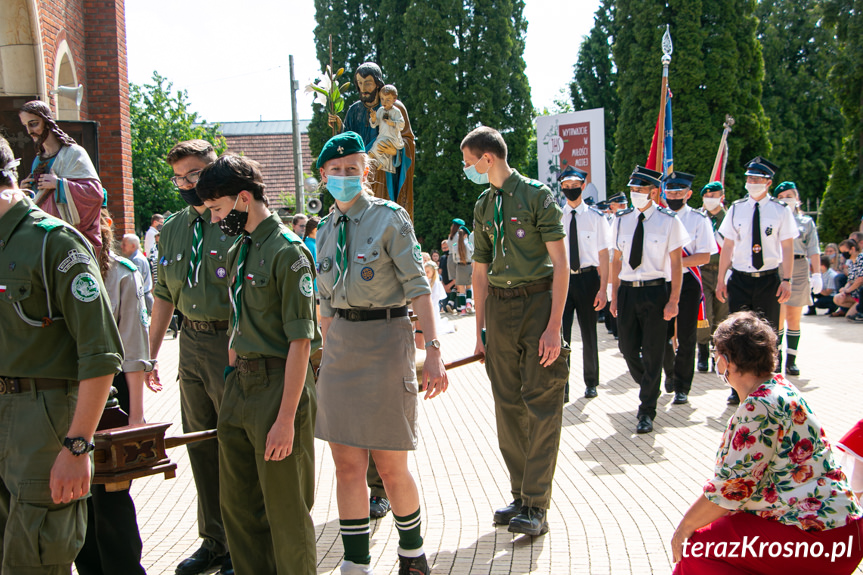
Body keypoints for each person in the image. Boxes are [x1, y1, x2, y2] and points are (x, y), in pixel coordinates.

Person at [313, 132, 447, 575]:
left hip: (388, 341)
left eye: (353, 169)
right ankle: (356, 563)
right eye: (337, 171)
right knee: (346, 466)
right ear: (323, 176)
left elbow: (419, 289)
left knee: (391, 466)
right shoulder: (326, 228)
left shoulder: (391, 219)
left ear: (366, 173)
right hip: (341, 352)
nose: (345, 176)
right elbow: (325, 302)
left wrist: (433, 351)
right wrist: (329, 347)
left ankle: (412, 554)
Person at [0, 135, 122, 573]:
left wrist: (76, 446)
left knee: (34, 558)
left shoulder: (55, 243)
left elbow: (101, 353)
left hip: (44, 417)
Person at [195, 154, 319, 574]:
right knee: (239, 511)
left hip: (277, 387)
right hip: (240, 387)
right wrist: (232, 376)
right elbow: (237, 321)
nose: (214, 219)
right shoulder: (240, 248)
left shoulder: (290, 252)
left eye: (218, 208)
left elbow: (301, 341)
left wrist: (286, 419)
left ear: (244, 198)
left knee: (286, 515)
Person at [671, 311, 863, 575]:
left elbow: (733, 489)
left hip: (817, 538)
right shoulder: (782, 387)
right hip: (842, 533)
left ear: (726, 361)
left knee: (696, 547)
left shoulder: (757, 407)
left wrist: (683, 528)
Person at [464, 126, 570, 536]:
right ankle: (520, 495)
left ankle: (537, 505)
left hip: (538, 304)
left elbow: (561, 264)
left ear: (487, 158)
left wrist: (554, 326)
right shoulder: (483, 204)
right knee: (507, 405)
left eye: (469, 161)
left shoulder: (537, 196)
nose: (467, 169)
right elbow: (479, 271)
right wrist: (479, 331)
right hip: (500, 309)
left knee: (542, 403)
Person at [148, 139, 231, 575]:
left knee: (234, 444)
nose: (186, 185)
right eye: (179, 178)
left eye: (194, 175)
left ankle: (241, 543)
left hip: (231, 343)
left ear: (214, 171)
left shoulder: (237, 221)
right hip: (191, 346)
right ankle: (214, 540)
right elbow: (163, 294)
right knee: (200, 445)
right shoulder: (173, 229)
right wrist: (149, 356)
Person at [75, 209, 150, 575]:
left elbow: (134, 348)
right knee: (76, 496)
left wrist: (135, 417)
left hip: (114, 389)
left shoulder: (121, 272)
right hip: (64, 388)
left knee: (110, 496)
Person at [610, 166, 689, 433]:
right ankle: (650, 384)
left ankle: (646, 411)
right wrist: (613, 294)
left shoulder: (668, 221)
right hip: (628, 291)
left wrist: (674, 300)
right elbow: (616, 259)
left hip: (656, 291)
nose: (635, 195)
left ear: (653, 192)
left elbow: (677, 264)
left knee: (654, 351)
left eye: (640, 190)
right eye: (632, 190)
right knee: (627, 348)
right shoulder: (620, 219)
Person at [716, 157, 797, 405]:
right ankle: (736, 386)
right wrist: (721, 279)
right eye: (749, 179)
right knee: (737, 333)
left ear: (768, 182)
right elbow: (727, 246)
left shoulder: (780, 210)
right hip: (740, 278)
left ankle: (771, 386)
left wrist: (787, 279)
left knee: (768, 334)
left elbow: (787, 246)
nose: (751, 183)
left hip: (768, 278)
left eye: (757, 179)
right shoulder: (736, 209)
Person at [661, 172, 718, 405]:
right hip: (660, 282)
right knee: (661, 335)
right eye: (670, 192)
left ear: (688, 194)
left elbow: (704, 255)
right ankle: (669, 371)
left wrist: (677, 263)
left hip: (687, 283)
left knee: (686, 336)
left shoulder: (698, 219)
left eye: (679, 192)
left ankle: (683, 386)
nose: (674, 196)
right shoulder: (657, 217)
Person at [328, 62, 415, 214]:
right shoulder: (354, 110)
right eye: (360, 83)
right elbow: (347, 146)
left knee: (383, 215)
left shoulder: (394, 107)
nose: (363, 88)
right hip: (361, 174)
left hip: (384, 171)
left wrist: (397, 152)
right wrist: (339, 128)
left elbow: (408, 140)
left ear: (378, 84)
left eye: (368, 83)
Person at [18, 100, 104, 252]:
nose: (30, 131)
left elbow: (94, 194)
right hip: (44, 237)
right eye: (26, 126)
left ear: (47, 121)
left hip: (70, 237)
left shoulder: (74, 153)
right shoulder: (38, 160)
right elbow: (38, 200)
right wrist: (24, 193)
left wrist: (58, 184)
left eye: (33, 124)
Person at [558, 166, 611, 402]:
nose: (571, 190)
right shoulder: (556, 218)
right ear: (561, 188)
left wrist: (603, 289)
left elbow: (604, 256)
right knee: (562, 335)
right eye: (566, 187)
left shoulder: (597, 217)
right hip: (563, 280)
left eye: (575, 185)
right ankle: (563, 385)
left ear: (583, 185)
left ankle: (591, 383)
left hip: (589, 279)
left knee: (589, 333)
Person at [774, 182, 821, 375]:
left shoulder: (806, 222)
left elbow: (814, 249)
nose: (787, 199)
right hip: (778, 266)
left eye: (790, 195)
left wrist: (817, 273)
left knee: (794, 317)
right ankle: (776, 358)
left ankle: (791, 359)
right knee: (778, 316)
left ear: (797, 198)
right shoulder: (773, 219)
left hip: (800, 267)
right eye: (782, 196)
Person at [695, 181, 729, 372]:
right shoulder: (699, 217)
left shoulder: (729, 217)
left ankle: (719, 353)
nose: (710, 199)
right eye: (707, 196)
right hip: (703, 271)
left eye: (714, 196)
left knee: (722, 313)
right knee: (704, 313)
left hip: (723, 271)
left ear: (721, 197)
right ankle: (702, 352)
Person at [369, 85, 405, 174]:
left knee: (376, 146)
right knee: (379, 147)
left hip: (392, 139)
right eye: (382, 99)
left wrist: (392, 123)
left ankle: (371, 159)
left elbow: (402, 124)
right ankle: (382, 161)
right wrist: (373, 118)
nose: (384, 102)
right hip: (383, 136)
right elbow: (375, 124)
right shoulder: (380, 110)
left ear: (394, 99)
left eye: (387, 100)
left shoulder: (396, 112)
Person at [120, 233, 154, 315]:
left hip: (143, 298)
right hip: (143, 296)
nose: (121, 247)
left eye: (124, 244)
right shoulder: (135, 258)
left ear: (133, 246)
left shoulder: (136, 260)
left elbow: (136, 282)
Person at [834, 239, 863, 320]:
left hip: (860, 293)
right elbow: (850, 281)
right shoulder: (851, 263)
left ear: (853, 249)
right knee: (838, 298)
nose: (843, 254)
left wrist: (848, 290)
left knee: (849, 316)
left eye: (845, 251)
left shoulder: (861, 259)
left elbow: (860, 279)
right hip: (855, 293)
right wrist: (844, 290)